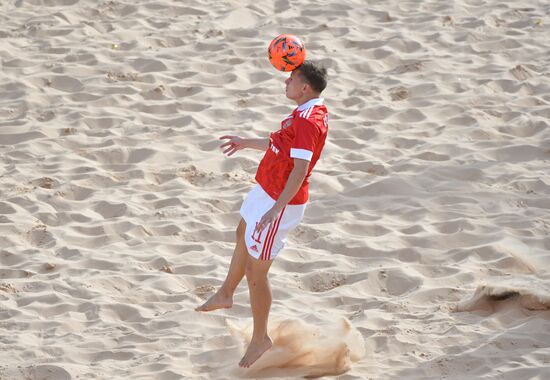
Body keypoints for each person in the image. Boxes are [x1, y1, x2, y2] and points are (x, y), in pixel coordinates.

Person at [195, 60, 329, 368]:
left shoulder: (309, 121)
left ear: (305, 88)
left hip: (280, 202)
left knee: (257, 272)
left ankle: (260, 339)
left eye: (291, 79)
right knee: (241, 231)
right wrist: (246, 143)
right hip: (267, 190)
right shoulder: (303, 113)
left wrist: (277, 209)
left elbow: (300, 169)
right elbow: (278, 145)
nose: (286, 83)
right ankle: (226, 293)